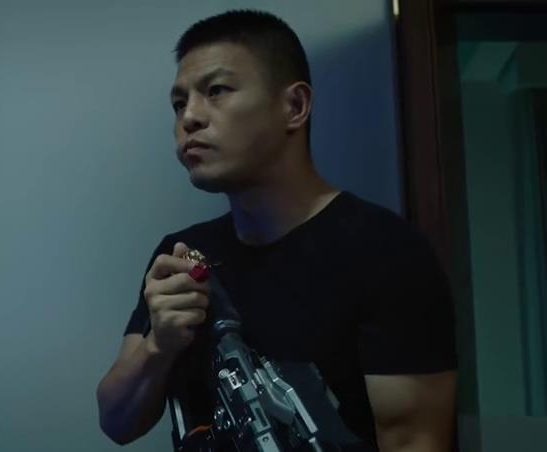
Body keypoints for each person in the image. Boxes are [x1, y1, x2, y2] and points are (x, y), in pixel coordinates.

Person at [96, 10, 457, 451]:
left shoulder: (387, 253)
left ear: (295, 106)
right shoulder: (182, 256)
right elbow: (117, 423)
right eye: (179, 103)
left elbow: (414, 441)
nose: (189, 117)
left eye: (216, 90)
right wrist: (159, 345)